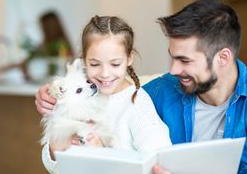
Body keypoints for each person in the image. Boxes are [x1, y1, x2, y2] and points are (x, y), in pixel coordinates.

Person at [36, 0, 247, 174]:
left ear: (222, 57)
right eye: (172, 56)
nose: (173, 70)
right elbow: (115, 95)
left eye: (184, 60)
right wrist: (59, 98)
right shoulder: (162, 89)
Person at [38, 15, 172, 173]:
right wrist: (56, 149)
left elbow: (158, 162)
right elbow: (55, 166)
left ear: (129, 58)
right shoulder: (80, 94)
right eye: (94, 64)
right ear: (84, 60)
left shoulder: (138, 106)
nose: (105, 74)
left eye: (115, 64)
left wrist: (104, 153)